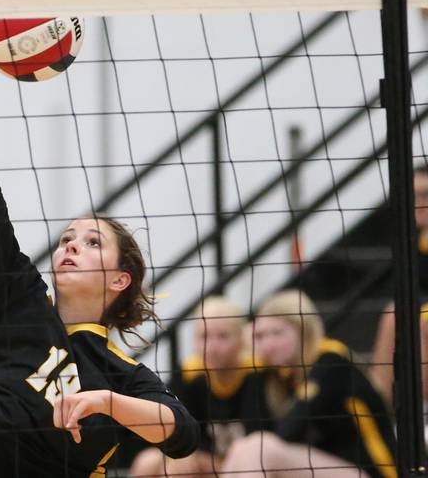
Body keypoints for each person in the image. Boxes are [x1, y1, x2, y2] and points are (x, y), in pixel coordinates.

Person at [0, 29, 199, 477]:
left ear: (121, 280)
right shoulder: (19, 301)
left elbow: (184, 436)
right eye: (67, 239)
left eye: (93, 242)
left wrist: (106, 402)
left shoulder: (118, 371)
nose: (72, 244)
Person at [220, 290, 396, 478]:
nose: (268, 344)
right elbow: (254, 429)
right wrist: (255, 367)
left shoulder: (330, 359)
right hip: (328, 469)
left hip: (376, 473)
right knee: (243, 448)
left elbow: (290, 431)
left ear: (303, 331)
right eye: (261, 336)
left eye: (277, 333)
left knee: (260, 448)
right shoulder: (283, 375)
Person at [130, 296, 269, 477]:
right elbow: (177, 432)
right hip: (206, 460)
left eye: (223, 336)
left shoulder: (257, 373)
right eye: (204, 336)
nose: (212, 346)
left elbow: (263, 439)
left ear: (241, 339)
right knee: (148, 462)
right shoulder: (189, 375)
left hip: (250, 464)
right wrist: (184, 455)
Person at [369, 165, 428, 407]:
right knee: (396, 315)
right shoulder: (414, 242)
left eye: (425, 195)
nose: (418, 202)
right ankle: (381, 407)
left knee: (404, 318)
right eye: (412, 195)